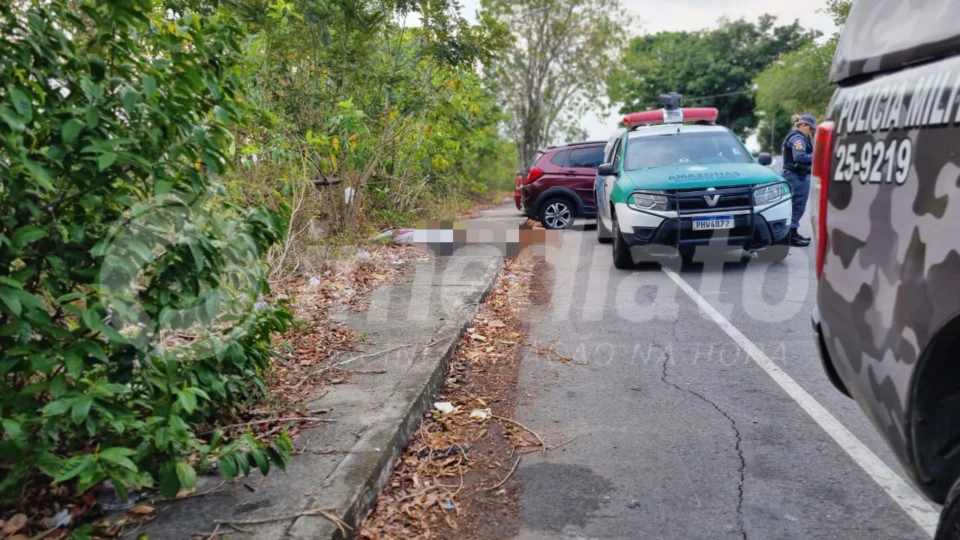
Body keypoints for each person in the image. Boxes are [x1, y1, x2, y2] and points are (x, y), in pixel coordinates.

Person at [781, 114, 816, 247]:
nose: (811, 131)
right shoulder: (798, 138)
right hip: (796, 176)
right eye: (810, 127)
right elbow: (800, 157)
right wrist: (817, 155)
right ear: (803, 125)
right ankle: (790, 235)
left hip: (796, 175)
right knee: (798, 205)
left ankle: (793, 233)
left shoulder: (801, 138)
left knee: (796, 205)